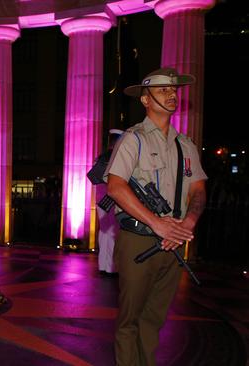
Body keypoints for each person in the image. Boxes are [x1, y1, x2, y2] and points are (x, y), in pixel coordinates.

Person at [105, 68, 207, 365]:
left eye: (173, 90)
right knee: (129, 321)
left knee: (153, 321)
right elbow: (115, 187)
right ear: (145, 100)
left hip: (173, 243)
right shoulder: (133, 139)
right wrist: (157, 223)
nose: (171, 94)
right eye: (162, 90)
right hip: (139, 240)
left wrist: (188, 223)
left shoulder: (185, 144)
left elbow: (198, 189)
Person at [95, 129, 123, 277]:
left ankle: (103, 265)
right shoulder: (117, 157)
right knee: (113, 231)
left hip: (101, 199)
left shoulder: (101, 157)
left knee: (104, 231)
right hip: (113, 198)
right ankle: (111, 267)